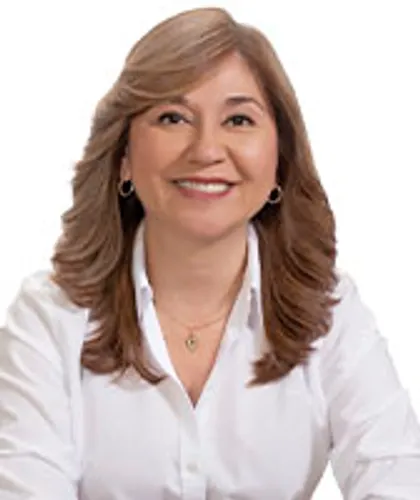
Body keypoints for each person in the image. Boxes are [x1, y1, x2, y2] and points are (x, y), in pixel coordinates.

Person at [1, 6, 419, 500]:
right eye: (172, 117)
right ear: (124, 157)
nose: (205, 150)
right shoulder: (49, 317)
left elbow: (398, 479)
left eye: (238, 119)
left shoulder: (330, 309)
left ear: (279, 161)